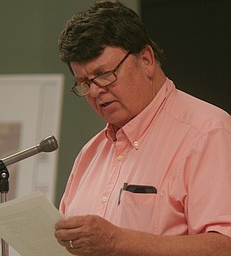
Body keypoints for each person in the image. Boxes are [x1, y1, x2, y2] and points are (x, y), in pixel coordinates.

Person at [54, 1, 231, 255]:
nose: (95, 91)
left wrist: (116, 242)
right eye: (84, 82)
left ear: (146, 60)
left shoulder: (208, 131)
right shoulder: (89, 154)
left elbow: (225, 246)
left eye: (104, 74)